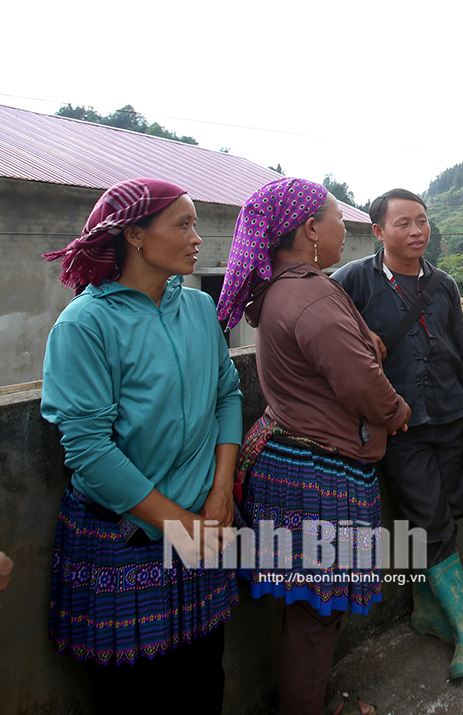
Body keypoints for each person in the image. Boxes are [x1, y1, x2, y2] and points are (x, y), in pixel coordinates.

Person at [40, 178, 242, 713]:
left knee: (203, 680)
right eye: (183, 223)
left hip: (202, 524)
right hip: (126, 538)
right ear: (134, 234)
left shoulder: (200, 308)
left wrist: (221, 491)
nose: (197, 237)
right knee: (137, 695)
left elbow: (227, 395)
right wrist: (177, 522)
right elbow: (89, 450)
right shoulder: (85, 325)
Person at [217, 178, 408, 715]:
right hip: (319, 474)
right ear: (308, 229)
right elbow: (360, 385)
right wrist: (398, 413)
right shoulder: (312, 293)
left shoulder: (282, 288)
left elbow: (332, 349)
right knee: (318, 612)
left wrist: (361, 340)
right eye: (335, 219)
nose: (342, 229)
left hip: (284, 456)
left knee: (305, 604)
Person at [332, 189, 463, 680]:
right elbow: (318, 323)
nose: (416, 231)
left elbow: (462, 352)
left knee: (447, 514)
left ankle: (425, 612)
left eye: (421, 221)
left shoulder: (442, 284)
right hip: (398, 426)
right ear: (378, 231)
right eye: (403, 223)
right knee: (430, 516)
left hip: (447, 414)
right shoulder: (353, 281)